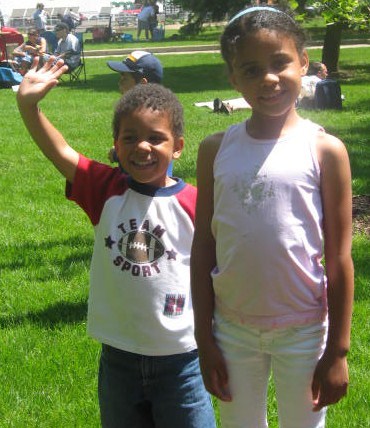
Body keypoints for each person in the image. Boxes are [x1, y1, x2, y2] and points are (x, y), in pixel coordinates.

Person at [16, 58, 216, 428]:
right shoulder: (105, 189)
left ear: (178, 147)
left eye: (156, 137)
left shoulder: (198, 204)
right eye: (130, 137)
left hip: (183, 361)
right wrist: (29, 106)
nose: (142, 146)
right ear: (116, 145)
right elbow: (58, 150)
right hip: (118, 360)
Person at [191, 6, 354, 428]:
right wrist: (203, 337)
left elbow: (339, 258)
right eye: (250, 69)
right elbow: (204, 244)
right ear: (233, 79)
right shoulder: (214, 150)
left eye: (280, 62)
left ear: (304, 61)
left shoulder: (325, 150)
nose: (268, 78)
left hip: (303, 330)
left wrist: (337, 351)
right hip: (231, 330)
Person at [106, 50, 167, 167]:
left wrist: (117, 153)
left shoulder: (149, 117)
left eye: (124, 78)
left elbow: (144, 154)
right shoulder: (138, 111)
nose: (119, 82)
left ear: (142, 84)